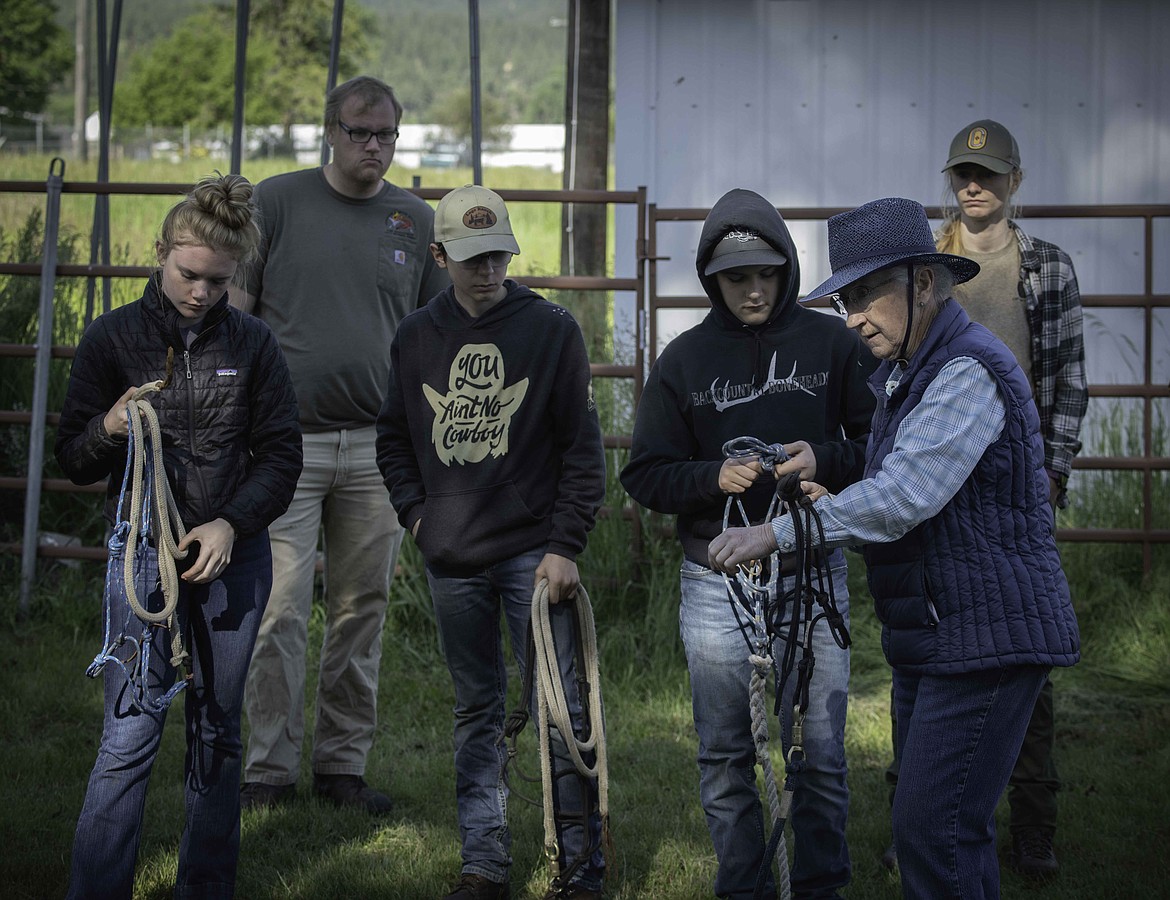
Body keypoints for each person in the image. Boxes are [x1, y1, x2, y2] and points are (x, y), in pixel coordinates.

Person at [708, 197, 1080, 900]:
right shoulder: (917, 373)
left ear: (925, 282)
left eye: (866, 295)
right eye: (844, 299)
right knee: (949, 834)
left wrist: (775, 533)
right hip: (946, 634)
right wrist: (828, 481)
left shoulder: (966, 372)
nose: (852, 318)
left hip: (981, 636)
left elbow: (904, 497)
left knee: (931, 832)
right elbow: (901, 485)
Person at [621, 188, 877, 900]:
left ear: (787, 269)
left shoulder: (834, 345)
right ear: (713, 278)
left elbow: (878, 445)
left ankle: (823, 885)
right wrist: (711, 477)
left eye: (766, 273)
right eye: (737, 278)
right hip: (717, 582)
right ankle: (745, 887)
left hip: (813, 569)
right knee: (727, 753)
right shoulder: (685, 360)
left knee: (820, 755)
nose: (754, 289)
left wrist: (824, 460)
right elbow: (643, 473)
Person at [56, 173, 302, 898]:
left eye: (217, 281)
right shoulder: (110, 339)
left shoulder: (254, 344)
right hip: (142, 553)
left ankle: (205, 887)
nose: (199, 292)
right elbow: (70, 458)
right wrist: (108, 426)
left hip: (231, 557)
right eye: (188, 274)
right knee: (130, 731)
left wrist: (232, 522)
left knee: (219, 730)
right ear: (160, 253)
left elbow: (282, 453)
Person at [375, 185, 606, 900]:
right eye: (472, 259)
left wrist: (565, 544)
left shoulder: (549, 329)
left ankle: (580, 868)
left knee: (560, 707)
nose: (488, 270)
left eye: (499, 255)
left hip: (533, 556)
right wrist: (420, 518)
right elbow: (392, 440)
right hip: (453, 559)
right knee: (476, 707)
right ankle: (485, 863)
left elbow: (582, 451)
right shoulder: (417, 336)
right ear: (440, 255)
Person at [233, 75, 449, 814]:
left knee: (363, 607)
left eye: (386, 134)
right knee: (278, 610)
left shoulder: (414, 219)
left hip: (376, 447)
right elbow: (236, 308)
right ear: (331, 130)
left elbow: (431, 333)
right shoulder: (278, 201)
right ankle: (267, 769)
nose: (374, 146)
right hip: (283, 444)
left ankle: (341, 767)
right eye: (360, 132)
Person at [880, 119, 1088, 879]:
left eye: (989, 175)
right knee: (926, 645)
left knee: (1013, 642)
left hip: (1009, 484)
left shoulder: (1047, 268)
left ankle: (1032, 824)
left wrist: (1048, 475)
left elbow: (1068, 378)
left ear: (1014, 182)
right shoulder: (928, 264)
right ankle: (922, 817)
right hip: (936, 481)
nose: (975, 186)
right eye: (964, 174)